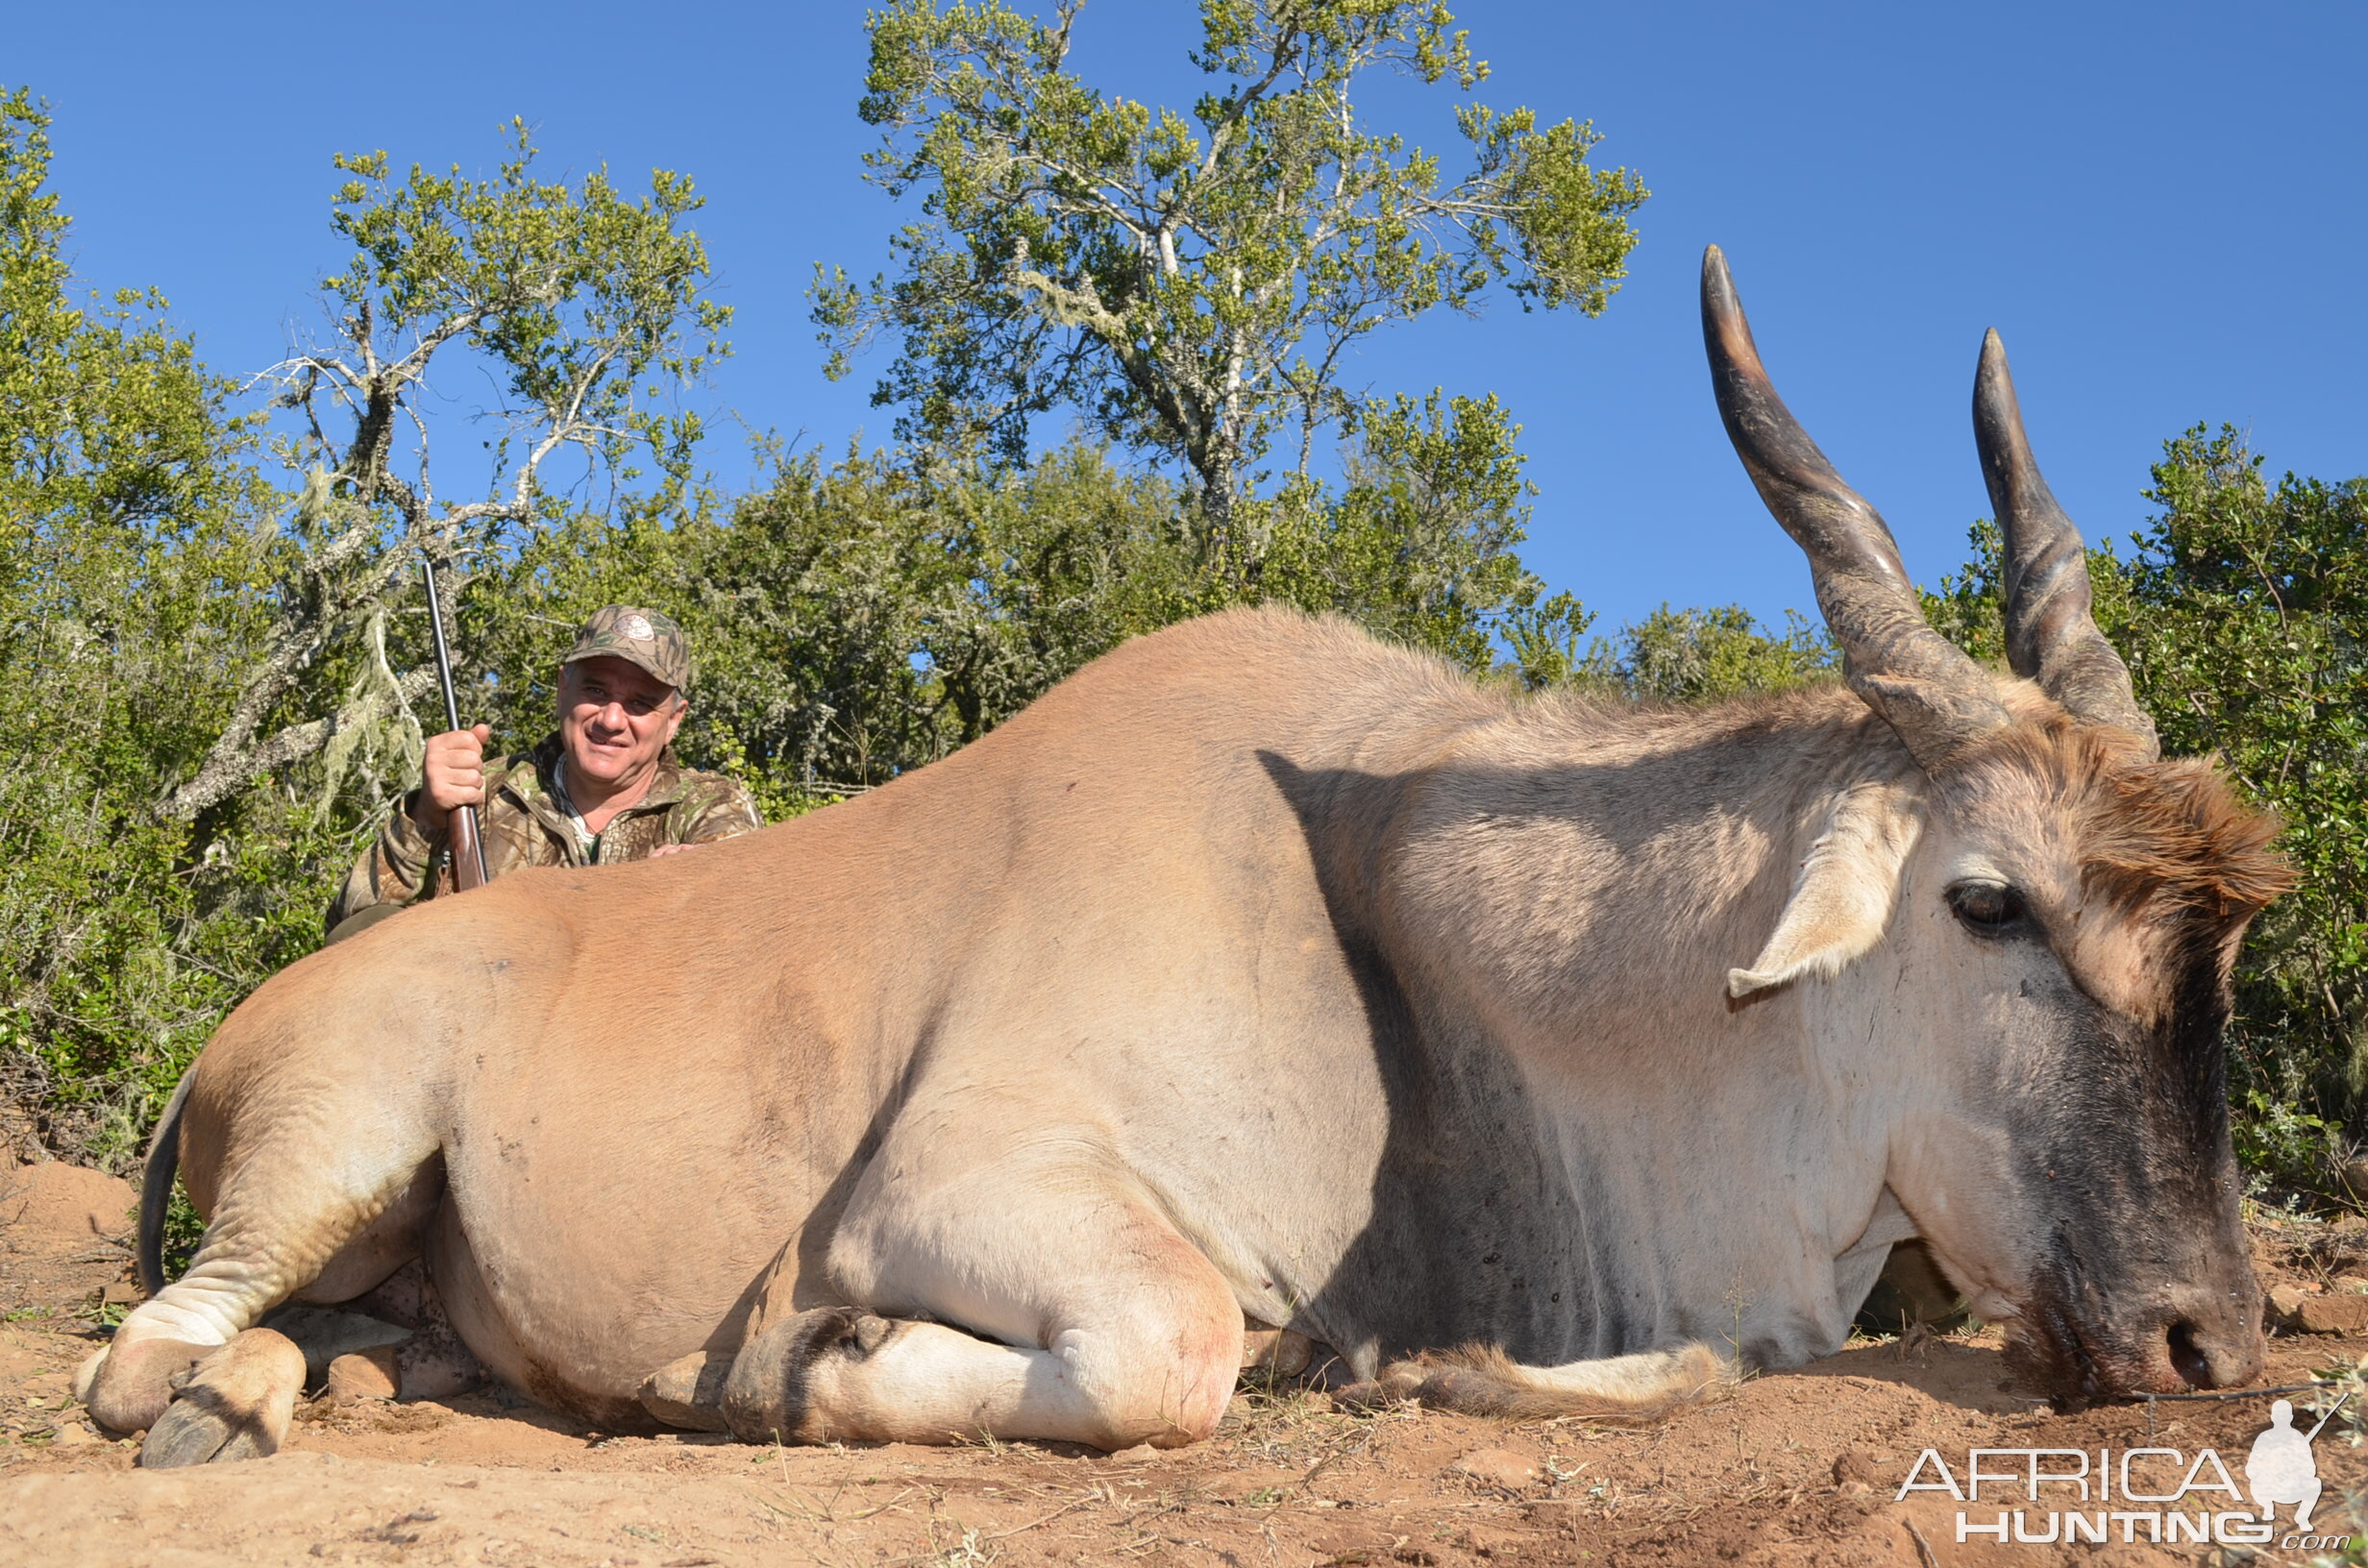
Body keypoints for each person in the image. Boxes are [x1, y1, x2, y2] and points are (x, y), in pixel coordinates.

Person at [326, 605, 763, 942]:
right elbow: (354, 927)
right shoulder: (483, 790)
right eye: (595, 690)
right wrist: (423, 818)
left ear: (674, 720)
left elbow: (748, 940)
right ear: (562, 689)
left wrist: (686, 889)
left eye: (640, 703)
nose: (611, 719)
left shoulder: (712, 810)